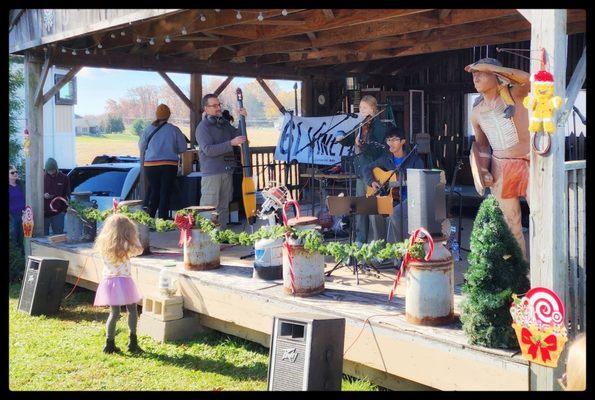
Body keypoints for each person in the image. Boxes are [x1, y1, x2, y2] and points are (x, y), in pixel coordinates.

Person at [465, 57, 531, 259]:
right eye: (474, 74)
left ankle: (545, 272)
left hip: (530, 162)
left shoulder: (514, 95)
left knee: (542, 217)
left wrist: (490, 67)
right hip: (501, 167)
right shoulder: (476, 112)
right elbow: (482, 145)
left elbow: (528, 80)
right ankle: (518, 273)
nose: (475, 77)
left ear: (496, 75)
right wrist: (483, 169)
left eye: (481, 73)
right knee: (511, 223)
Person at [336, 95, 387, 244]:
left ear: (373, 108)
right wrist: (341, 138)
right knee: (360, 208)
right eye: (360, 108)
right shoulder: (360, 125)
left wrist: (364, 144)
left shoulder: (379, 127)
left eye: (365, 108)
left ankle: (378, 242)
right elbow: (349, 139)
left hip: (373, 172)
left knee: (374, 209)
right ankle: (360, 240)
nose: (362, 111)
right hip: (360, 171)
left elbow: (378, 151)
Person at [93, 213, 144, 354]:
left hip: (109, 281)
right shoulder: (127, 245)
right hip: (125, 280)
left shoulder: (104, 243)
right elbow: (139, 250)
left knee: (114, 313)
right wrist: (135, 238)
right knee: (132, 310)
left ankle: (109, 343)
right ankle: (133, 342)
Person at [195, 94, 248, 228]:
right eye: (214, 106)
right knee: (209, 208)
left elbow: (238, 135)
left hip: (226, 171)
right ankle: (205, 240)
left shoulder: (223, 123)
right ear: (206, 109)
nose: (218, 108)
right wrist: (230, 143)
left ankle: (220, 237)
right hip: (212, 174)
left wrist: (242, 119)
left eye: (219, 105)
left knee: (224, 207)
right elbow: (208, 150)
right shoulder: (202, 128)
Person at [362, 129, 424, 242]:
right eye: (389, 140)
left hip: (409, 200)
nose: (391, 143)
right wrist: (372, 182)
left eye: (395, 140)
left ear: (403, 142)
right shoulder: (386, 159)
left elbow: (421, 181)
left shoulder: (414, 160)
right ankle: (381, 249)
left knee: (395, 213)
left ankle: (400, 250)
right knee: (375, 211)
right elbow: (366, 168)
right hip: (392, 198)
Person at [139, 104, 188, 219]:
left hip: (150, 165)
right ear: (168, 116)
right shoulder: (174, 129)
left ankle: (150, 218)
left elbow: (142, 147)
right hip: (169, 165)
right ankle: (162, 219)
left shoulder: (148, 129)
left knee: (154, 191)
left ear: (157, 115)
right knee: (165, 192)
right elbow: (183, 148)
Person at [43, 157, 70, 235]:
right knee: (43, 237)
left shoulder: (64, 178)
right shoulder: (42, 177)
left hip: (58, 213)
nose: (51, 172)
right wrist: (43, 195)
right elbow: (35, 192)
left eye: (52, 170)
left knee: (58, 236)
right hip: (44, 213)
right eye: (48, 171)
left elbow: (67, 195)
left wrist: (63, 211)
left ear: (56, 168)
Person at [9, 165, 26, 250]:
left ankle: (23, 257)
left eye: (16, 172)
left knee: (23, 238)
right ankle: (16, 258)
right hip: (12, 217)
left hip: (24, 215)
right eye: (12, 172)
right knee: (14, 237)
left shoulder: (21, 184)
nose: (15, 173)